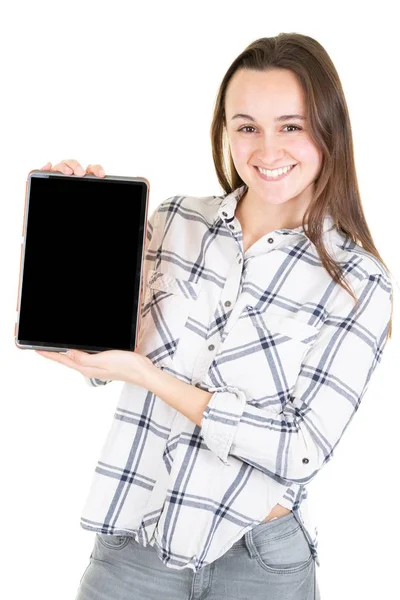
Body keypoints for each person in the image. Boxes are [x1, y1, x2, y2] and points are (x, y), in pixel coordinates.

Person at [36, 32, 394, 600]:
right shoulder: (176, 221)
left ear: (330, 129)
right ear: (225, 131)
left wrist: (153, 379)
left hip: (260, 559)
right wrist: (66, 249)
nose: (267, 149)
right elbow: (102, 363)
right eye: (247, 126)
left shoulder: (359, 281)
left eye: (291, 126)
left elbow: (300, 447)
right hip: (137, 539)